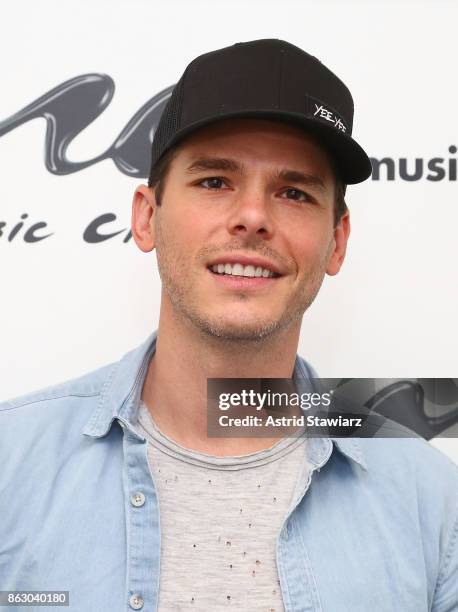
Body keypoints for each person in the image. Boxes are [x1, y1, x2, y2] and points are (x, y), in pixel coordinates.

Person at [0, 39, 456, 612]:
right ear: (146, 217)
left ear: (336, 242)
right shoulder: (10, 467)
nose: (254, 218)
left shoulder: (431, 501)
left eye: (293, 192)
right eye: (215, 181)